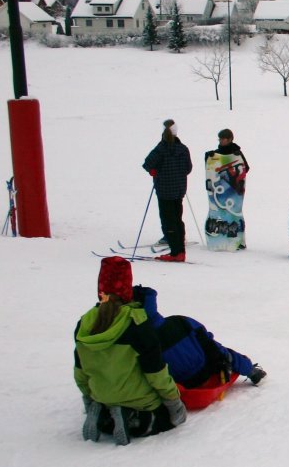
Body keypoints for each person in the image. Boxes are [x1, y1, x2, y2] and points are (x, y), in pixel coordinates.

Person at [74, 257, 187, 445]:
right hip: (138, 399)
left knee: (107, 406)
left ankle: (102, 413)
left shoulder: (84, 323)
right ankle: (131, 416)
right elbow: (155, 372)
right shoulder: (136, 324)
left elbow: (80, 371)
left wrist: (89, 398)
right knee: (163, 420)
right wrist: (173, 402)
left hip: (101, 396)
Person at [134, 284, 267, 387]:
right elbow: (210, 344)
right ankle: (251, 371)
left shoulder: (133, 340)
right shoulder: (180, 322)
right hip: (205, 371)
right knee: (225, 352)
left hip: (177, 385)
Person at [142, 119, 192, 262]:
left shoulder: (161, 149)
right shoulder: (183, 149)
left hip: (164, 190)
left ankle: (175, 252)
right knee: (177, 219)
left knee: (168, 221)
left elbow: (147, 164)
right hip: (179, 190)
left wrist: (154, 171)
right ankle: (180, 250)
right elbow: (188, 168)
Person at [205, 128, 250, 251]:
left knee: (234, 214)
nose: (221, 141)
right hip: (218, 191)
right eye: (220, 139)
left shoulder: (237, 152)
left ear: (229, 139)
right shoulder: (216, 154)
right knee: (220, 213)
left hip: (233, 191)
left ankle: (239, 240)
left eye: (223, 139)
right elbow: (210, 168)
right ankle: (219, 237)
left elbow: (245, 168)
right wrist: (208, 157)